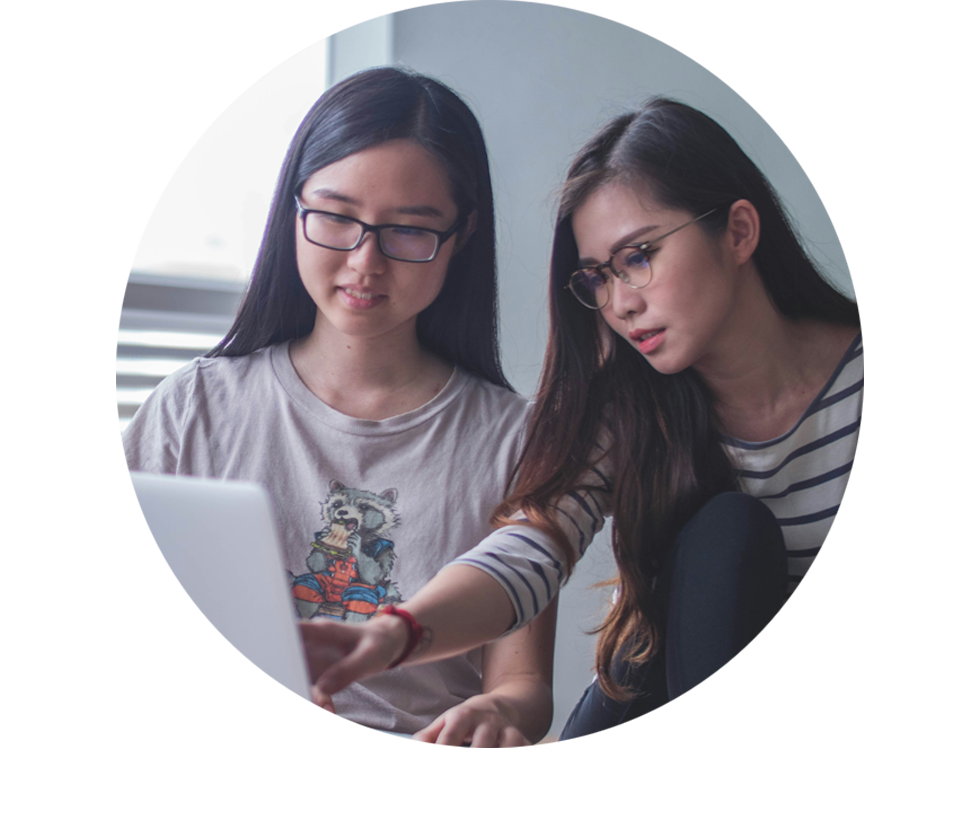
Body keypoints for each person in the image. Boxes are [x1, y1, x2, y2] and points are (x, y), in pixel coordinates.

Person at [299, 97, 863, 741]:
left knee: (732, 534)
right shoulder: (630, 407)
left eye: (640, 256)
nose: (620, 304)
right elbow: (530, 546)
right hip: (675, 689)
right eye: (598, 277)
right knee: (724, 534)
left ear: (737, 231)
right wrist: (398, 631)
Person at [121, 67, 557, 746]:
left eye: (409, 231)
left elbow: (523, 684)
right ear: (293, 208)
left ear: (462, 235)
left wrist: (500, 712)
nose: (364, 261)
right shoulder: (192, 408)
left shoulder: (517, 440)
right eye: (335, 217)